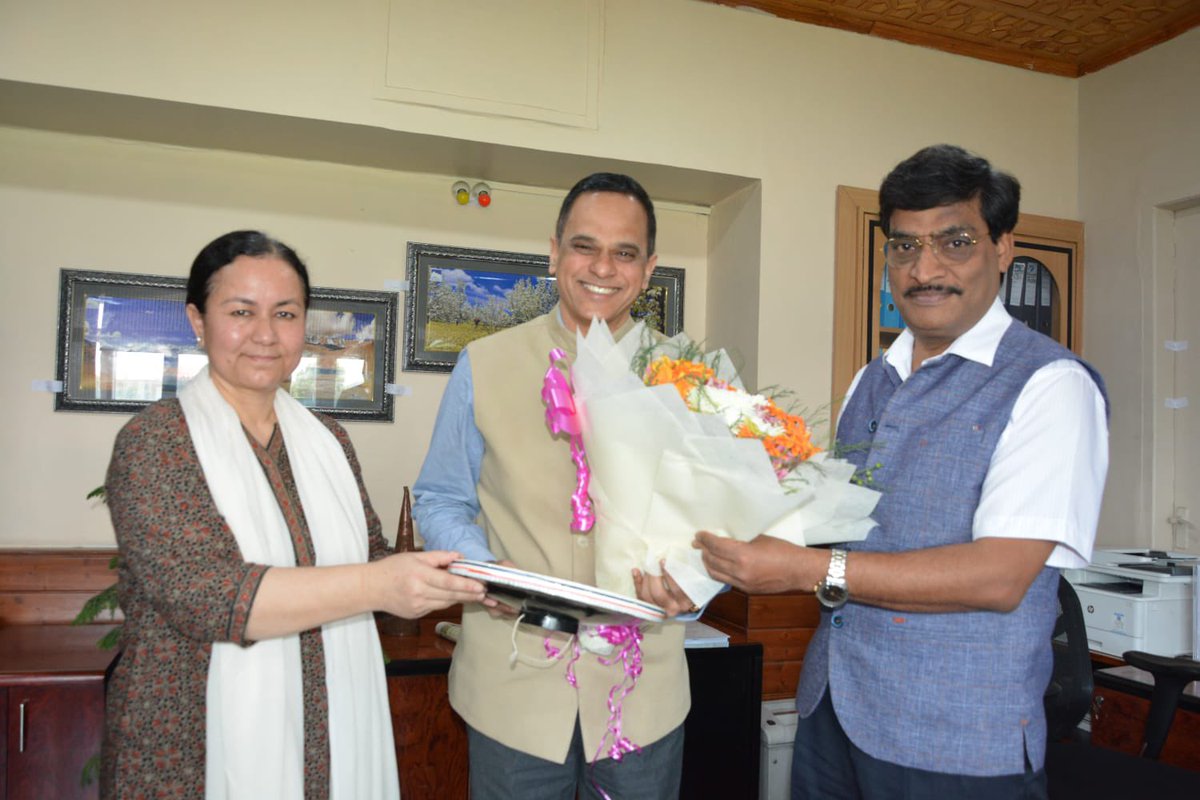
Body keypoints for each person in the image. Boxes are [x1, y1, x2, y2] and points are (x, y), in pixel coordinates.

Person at [697, 144, 1109, 799]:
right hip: (834, 711)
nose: (925, 269)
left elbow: (1000, 577)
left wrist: (806, 570)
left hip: (956, 742)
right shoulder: (873, 378)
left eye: (955, 241)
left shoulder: (1051, 386)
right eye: (904, 246)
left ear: (1003, 247)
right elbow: (849, 526)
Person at [102, 230, 486, 799]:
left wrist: (468, 576)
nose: (264, 334)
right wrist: (379, 583)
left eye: (285, 313)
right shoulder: (156, 442)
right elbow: (213, 597)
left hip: (329, 738)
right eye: (241, 311)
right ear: (197, 320)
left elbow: (371, 556)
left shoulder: (327, 439)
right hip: (192, 748)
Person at [413, 173, 698, 799]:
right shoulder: (483, 363)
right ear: (553, 252)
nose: (603, 267)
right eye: (583, 246)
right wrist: (485, 569)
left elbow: (718, 522)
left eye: (625, 253)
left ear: (648, 268)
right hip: (512, 682)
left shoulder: (689, 381)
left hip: (642, 691)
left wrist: (699, 577)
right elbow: (440, 496)